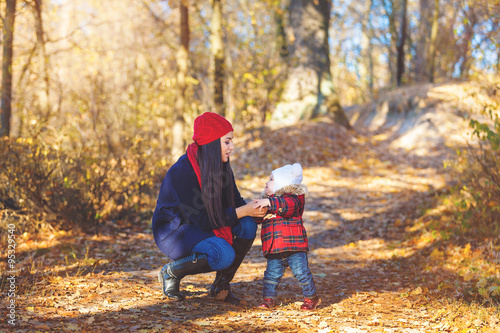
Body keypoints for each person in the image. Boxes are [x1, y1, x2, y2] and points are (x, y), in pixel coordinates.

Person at [153, 112, 266, 304]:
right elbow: (203, 219)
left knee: (247, 224)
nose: (232, 147)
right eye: (227, 142)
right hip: (176, 230)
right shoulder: (181, 172)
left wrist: (256, 208)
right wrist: (243, 211)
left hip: (199, 222)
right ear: (212, 143)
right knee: (223, 254)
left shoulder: (220, 165)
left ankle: (221, 286)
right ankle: (171, 272)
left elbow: (236, 201)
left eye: (231, 142)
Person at [253, 163, 321, 311]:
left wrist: (270, 202)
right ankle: (268, 299)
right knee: (270, 276)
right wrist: (253, 211)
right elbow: (257, 219)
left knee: (301, 273)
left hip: (294, 247)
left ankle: (311, 297)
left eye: (271, 179)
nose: (266, 182)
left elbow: (289, 206)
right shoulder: (269, 202)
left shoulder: (293, 199)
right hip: (274, 248)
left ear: (281, 184)